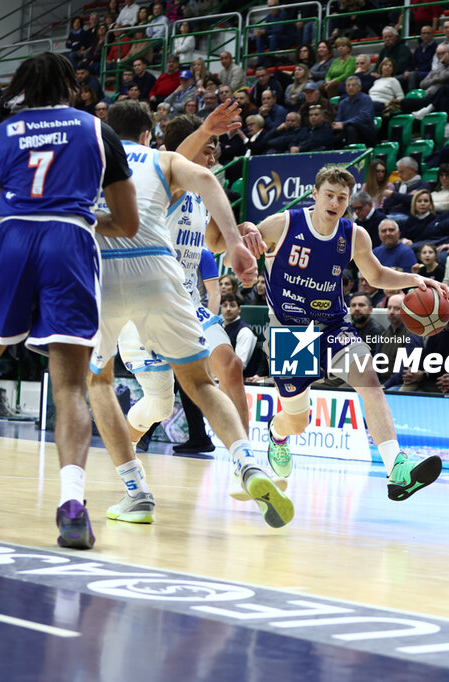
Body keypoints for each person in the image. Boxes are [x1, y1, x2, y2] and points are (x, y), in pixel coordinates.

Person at [0, 53, 141, 550]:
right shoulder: (98, 132)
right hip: (69, 244)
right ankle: (73, 505)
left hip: (13, 241)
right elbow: (128, 222)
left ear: (22, 89)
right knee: (71, 385)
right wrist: (77, 215)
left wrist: (30, 214)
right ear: (68, 87)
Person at [87, 102, 283, 525]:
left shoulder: (92, 161)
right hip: (161, 279)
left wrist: (239, 232)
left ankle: (140, 486)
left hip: (118, 281)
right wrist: (234, 239)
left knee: (101, 383)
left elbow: (210, 238)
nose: (212, 155)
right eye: (208, 147)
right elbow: (188, 161)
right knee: (167, 399)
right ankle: (245, 458)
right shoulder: (166, 166)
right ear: (147, 137)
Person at [240, 164, 448, 500]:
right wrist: (247, 263)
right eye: (330, 195)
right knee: (297, 421)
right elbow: (242, 252)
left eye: (342, 197)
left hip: (332, 324)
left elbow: (376, 276)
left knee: (369, 380)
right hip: (291, 331)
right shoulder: (283, 224)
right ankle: (277, 435)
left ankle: (397, 468)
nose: (335, 202)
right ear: (315, 195)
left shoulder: (354, 235)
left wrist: (416, 279)